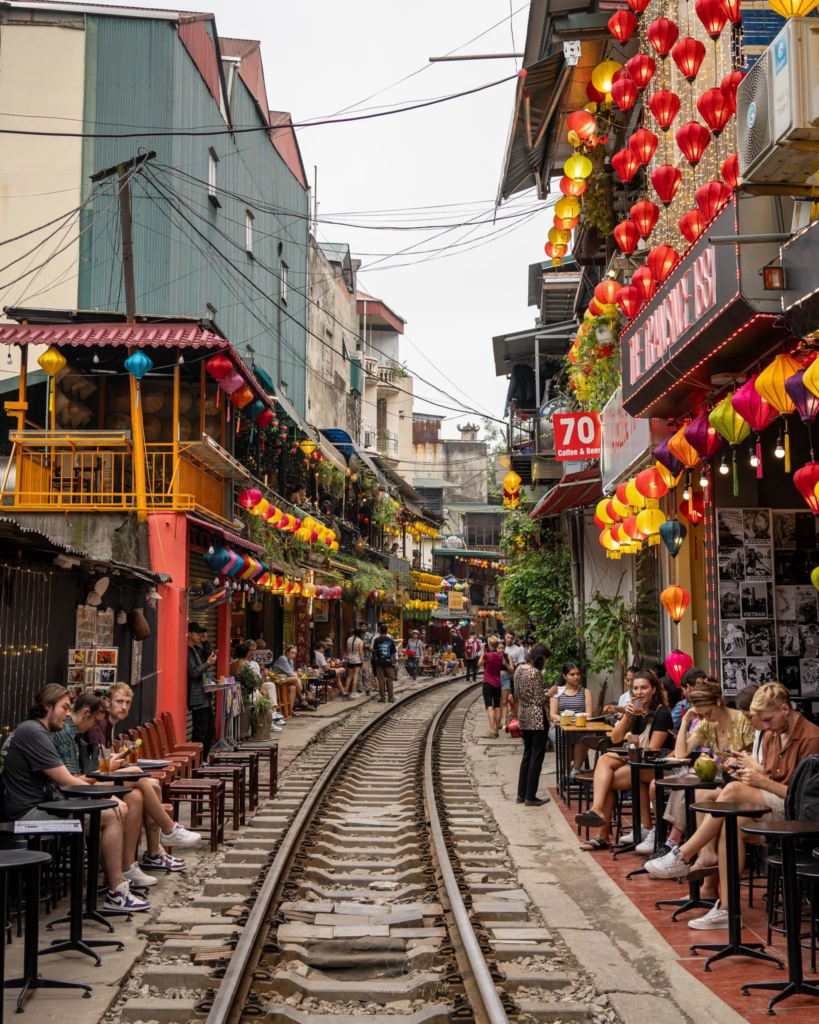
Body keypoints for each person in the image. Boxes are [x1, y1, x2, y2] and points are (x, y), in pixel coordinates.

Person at [646, 682, 819, 929]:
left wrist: (760, 779)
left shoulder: (811, 738)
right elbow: (770, 774)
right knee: (730, 824)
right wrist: (755, 772)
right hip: (773, 802)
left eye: (767, 720)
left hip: (795, 813)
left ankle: (684, 854)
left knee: (732, 790)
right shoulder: (772, 733)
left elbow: (799, 799)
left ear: (784, 709)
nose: (766, 727)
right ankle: (726, 908)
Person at [2, 685, 149, 912]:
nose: (68, 714)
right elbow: (68, 782)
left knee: (108, 810)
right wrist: (109, 797)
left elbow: (67, 781)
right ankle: (117, 893)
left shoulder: (36, 731)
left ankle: (113, 887)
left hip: (41, 807)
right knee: (110, 815)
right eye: (64, 707)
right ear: (47, 707)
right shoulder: (34, 732)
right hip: (27, 817)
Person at [57, 690, 200, 883]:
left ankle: (129, 866)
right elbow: (73, 780)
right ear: (85, 713)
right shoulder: (68, 734)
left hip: (83, 785)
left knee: (137, 795)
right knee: (136, 774)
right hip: (75, 792)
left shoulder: (76, 733)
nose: (95, 726)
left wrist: (108, 766)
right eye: (96, 722)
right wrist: (108, 771)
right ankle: (168, 829)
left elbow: (87, 767)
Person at [643, 679, 755, 860]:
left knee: (692, 786)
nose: (706, 718)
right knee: (685, 782)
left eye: (708, 712)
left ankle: (674, 841)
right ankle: (675, 840)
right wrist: (687, 720)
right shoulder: (706, 724)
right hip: (722, 777)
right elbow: (680, 753)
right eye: (701, 715)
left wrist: (738, 760)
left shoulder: (742, 720)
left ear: (719, 701)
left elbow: (755, 755)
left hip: (739, 779)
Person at [574, 670, 672, 851]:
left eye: (644, 688)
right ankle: (598, 813)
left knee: (606, 769)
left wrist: (620, 755)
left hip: (657, 765)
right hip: (637, 762)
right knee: (605, 767)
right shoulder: (636, 712)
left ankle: (602, 832)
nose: (639, 692)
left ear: (654, 689)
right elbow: (616, 739)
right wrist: (627, 717)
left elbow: (652, 751)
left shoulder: (661, 714)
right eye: (635, 688)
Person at [515, 644, 552, 806]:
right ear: (541, 658)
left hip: (523, 715)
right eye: (546, 660)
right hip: (537, 718)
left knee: (527, 754)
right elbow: (539, 699)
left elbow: (517, 693)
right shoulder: (535, 673)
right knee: (537, 756)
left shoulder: (519, 670)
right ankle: (531, 795)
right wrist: (549, 693)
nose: (546, 664)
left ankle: (521, 794)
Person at [549, 662, 594, 774]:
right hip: (562, 726)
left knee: (584, 736)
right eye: (572, 674)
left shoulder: (585, 692)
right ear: (564, 676)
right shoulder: (557, 692)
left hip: (581, 727)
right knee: (564, 735)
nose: (576, 677)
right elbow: (553, 715)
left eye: (578, 674)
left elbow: (589, 714)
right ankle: (566, 770)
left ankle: (576, 770)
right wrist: (567, 719)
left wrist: (577, 720)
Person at [186, 621, 217, 759]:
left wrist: (205, 642)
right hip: (196, 696)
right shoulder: (186, 652)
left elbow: (211, 656)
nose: (200, 635)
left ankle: (203, 758)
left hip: (205, 694)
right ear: (190, 634)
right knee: (200, 730)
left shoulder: (197, 649)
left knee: (210, 729)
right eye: (197, 633)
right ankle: (197, 761)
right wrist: (207, 664)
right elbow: (193, 672)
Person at [478, 635, 504, 738]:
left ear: (489, 644)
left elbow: (479, 664)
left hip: (488, 682)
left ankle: (492, 730)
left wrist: (483, 650)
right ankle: (497, 731)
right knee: (497, 706)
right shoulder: (500, 656)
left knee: (489, 706)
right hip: (498, 683)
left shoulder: (487, 655)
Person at [270, 645, 310, 711]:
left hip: (284, 679)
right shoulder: (283, 659)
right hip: (277, 679)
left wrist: (298, 680)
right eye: (292, 653)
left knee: (293, 688)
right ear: (287, 652)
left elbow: (292, 672)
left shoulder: (290, 661)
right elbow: (290, 673)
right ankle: (302, 699)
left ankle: (290, 710)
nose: (294, 655)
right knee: (295, 680)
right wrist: (298, 680)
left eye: (295, 653)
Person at [501, 631, 524, 732]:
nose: (509, 640)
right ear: (504, 637)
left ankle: (515, 720)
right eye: (508, 637)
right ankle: (503, 721)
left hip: (513, 676)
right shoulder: (501, 648)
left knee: (515, 699)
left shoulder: (518, 649)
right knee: (503, 700)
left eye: (511, 638)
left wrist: (515, 675)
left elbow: (521, 664)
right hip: (502, 676)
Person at [372, 624, 397, 703]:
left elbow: (375, 649)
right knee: (390, 680)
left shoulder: (377, 640)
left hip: (379, 662)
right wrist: (395, 662)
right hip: (388, 662)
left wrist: (371, 650)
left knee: (381, 680)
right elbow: (393, 653)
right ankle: (390, 697)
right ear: (387, 631)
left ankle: (382, 697)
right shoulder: (391, 641)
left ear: (380, 630)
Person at [345, 628, 364, 697]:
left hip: (350, 659)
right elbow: (361, 652)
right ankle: (353, 692)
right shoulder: (360, 641)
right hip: (357, 660)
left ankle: (346, 691)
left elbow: (347, 650)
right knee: (355, 676)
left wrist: (348, 656)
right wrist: (363, 662)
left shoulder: (349, 639)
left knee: (349, 676)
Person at [360, 620, 374, 694]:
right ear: (360, 627)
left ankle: (367, 688)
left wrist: (367, 646)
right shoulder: (358, 635)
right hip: (358, 657)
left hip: (367, 656)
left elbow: (373, 646)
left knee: (367, 673)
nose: (364, 628)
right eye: (362, 626)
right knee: (359, 674)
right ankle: (358, 688)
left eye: (365, 626)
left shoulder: (370, 635)